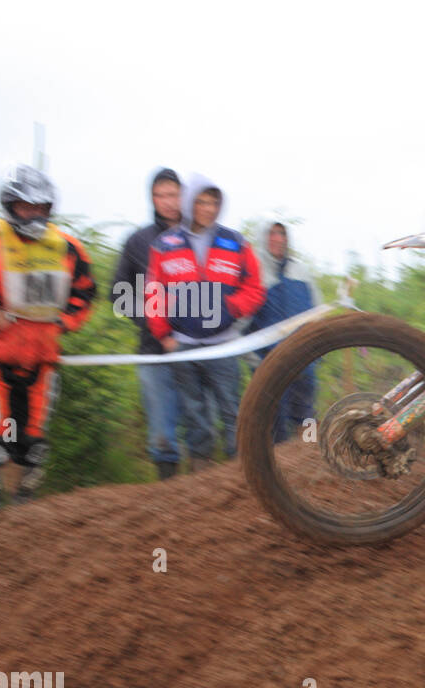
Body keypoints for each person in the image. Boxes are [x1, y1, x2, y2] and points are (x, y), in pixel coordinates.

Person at [0, 165, 96, 514]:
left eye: (40, 207)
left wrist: (65, 323)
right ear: (10, 205)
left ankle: (26, 523)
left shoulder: (68, 248)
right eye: (25, 206)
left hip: (43, 360)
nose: (33, 213)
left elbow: (85, 293)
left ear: (49, 208)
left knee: (33, 447)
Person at [146, 174, 263, 468]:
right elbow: (153, 292)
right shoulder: (165, 243)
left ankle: (243, 471)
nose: (208, 208)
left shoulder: (235, 242)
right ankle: (202, 474)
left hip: (223, 345)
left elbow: (254, 288)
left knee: (232, 410)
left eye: (214, 202)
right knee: (193, 413)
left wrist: (231, 307)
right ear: (189, 203)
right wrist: (164, 337)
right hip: (183, 346)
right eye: (201, 201)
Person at [113, 168, 184, 479]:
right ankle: (169, 497)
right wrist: (151, 323)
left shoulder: (199, 237)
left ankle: (209, 500)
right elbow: (118, 293)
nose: (167, 202)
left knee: (203, 424)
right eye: (161, 195)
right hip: (153, 349)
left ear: (183, 196)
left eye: (173, 194)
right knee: (162, 431)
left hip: (201, 348)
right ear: (152, 199)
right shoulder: (137, 241)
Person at [247, 221, 320, 442]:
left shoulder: (301, 270)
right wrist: (252, 359)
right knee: (274, 421)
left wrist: (319, 348)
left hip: (303, 359)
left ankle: (313, 452)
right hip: (269, 362)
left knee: (307, 415)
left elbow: (317, 311)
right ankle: (278, 471)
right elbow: (242, 321)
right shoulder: (254, 272)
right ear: (263, 238)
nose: (278, 239)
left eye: (282, 234)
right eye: (272, 234)